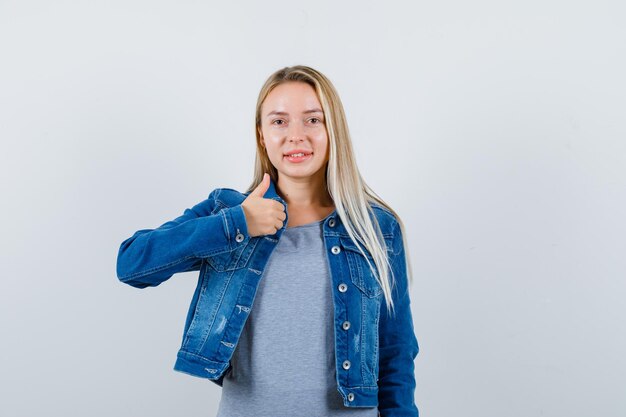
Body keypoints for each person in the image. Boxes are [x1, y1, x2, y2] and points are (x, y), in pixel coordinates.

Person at [116, 65, 419, 417]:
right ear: (261, 135)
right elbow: (132, 264)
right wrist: (235, 223)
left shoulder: (376, 228)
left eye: (312, 120)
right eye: (279, 121)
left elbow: (396, 352)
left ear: (333, 130)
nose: (296, 136)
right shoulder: (228, 213)